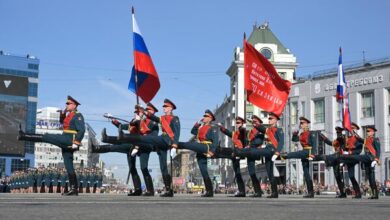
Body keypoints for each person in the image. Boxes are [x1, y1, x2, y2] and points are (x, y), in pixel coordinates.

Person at [18, 95, 85, 196]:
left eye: (68, 103)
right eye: (66, 103)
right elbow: (63, 123)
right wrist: (63, 114)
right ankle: (74, 189)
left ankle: (24, 136)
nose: (66, 105)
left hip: (69, 139)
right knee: (68, 166)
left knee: (47, 136)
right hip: (65, 137)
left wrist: (77, 142)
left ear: (74, 105)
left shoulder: (78, 115)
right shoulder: (69, 114)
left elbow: (82, 130)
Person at [93, 104, 158, 196]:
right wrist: (114, 120)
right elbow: (123, 126)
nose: (138, 113)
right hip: (133, 145)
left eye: (148, 110)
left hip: (145, 147)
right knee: (132, 168)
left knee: (144, 168)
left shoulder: (153, 124)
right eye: (136, 112)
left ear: (153, 112)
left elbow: (153, 137)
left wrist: (142, 133)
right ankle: (138, 189)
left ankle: (150, 191)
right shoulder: (137, 122)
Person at [118, 99, 180, 197]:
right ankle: (169, 190)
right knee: (163, 167)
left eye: (166, 107)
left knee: (148, 138)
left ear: (171, 108)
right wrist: (143, 111)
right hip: (161, 144)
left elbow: (177, 132)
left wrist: (174, 145)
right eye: (163, 106)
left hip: (167, 139)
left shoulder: (175, 118)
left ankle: (128, 139)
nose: (164, 108)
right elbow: (154, 117)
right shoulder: (162, 118)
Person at [234, 112, 284, 198]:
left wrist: (277, 152)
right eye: (269, 118)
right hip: (267, 151)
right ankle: (274, 193)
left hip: (271, 150)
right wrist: (254, 124)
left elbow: (281, 143)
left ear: (276, 120)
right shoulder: (267, 130)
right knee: (269, 173)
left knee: (253, 151)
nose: (269, 120)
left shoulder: (279, 130)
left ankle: (239, 152)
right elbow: (261, 129)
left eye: (271, 118)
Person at [177, 109, 218, 197]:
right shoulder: (201, 128)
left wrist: (212, 151)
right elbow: (192, 131)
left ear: (210, 118)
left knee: (190, 145)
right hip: (200, 149)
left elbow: (215, 141)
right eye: (204, 116)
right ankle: (209, 191)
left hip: (206, 147)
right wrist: (197, 124)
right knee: (203, 171)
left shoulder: (213, 128)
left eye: (206, 116)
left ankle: (177, 144)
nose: (204, 117)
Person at [341, 125, 380, 199]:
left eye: (368, 131)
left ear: (373, 132)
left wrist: (376, 159)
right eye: (367, 131)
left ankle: (375, 194)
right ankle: (374, 194)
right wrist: (353, 133)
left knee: (372, 177)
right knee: (369, 177)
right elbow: (359, 139)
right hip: (366, 160)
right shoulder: (366, 140)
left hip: (371, 158)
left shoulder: (375, 139)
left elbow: (378, 151)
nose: (367, 132)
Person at [281, 116, 316, 198]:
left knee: (296, 154)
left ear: (307, 124)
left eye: (302, 123)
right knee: (306, 173)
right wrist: (295, 134)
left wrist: (312, 154)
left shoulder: (311, 133)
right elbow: (294, 140)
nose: (301, 124)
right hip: (304, 151)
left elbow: (314, 144)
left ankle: (286, 156)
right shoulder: (301, 134)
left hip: (308, 151)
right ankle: (311, 192)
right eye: (300, 123)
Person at [218, 116, 247, 197]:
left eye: (238, 123)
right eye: (236, 122)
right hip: (235, 152)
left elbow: (244, 137)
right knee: (237, 173)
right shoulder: (236, 133)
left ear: (242, 123)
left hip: (239, 152)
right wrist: (221, 127)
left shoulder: (242, 131)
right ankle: (241, 191)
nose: (237, 124)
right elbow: (228, 133)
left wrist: (242, 127)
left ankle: (242, 191)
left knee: (238, 173)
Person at [318, 127, 347, 198]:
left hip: (341, 158)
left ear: (341, 133)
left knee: (341, 177)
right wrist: (323, 138)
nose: (338, 134)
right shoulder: (336, 141)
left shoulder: (343, 139)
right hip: (335, 160)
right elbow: (330, 143)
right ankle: (342, 192)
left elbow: (342, 142)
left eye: (339, 132)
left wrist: (341, 136)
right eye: (337, 133)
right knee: (337, 176)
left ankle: (343, 193)